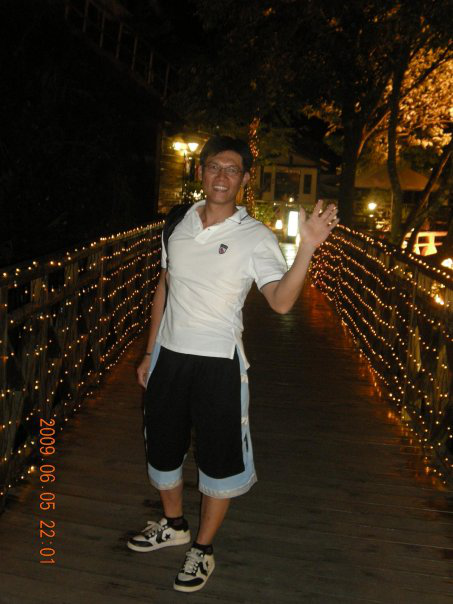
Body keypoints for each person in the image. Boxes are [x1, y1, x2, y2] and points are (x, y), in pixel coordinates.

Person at [127, 135, 339, 592]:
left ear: (244, 179)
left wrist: (307, 248)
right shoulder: (177, 221)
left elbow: (281, 302)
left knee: (219, 459)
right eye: (213, 167)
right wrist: (149, 351)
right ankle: (174, 525)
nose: (221, 176)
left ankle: (202, 549)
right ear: (200, 171)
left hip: (219, 364)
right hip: (168, 357)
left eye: (232, 169)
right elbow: (164, 285)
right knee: (161, 448)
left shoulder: (256, 236)